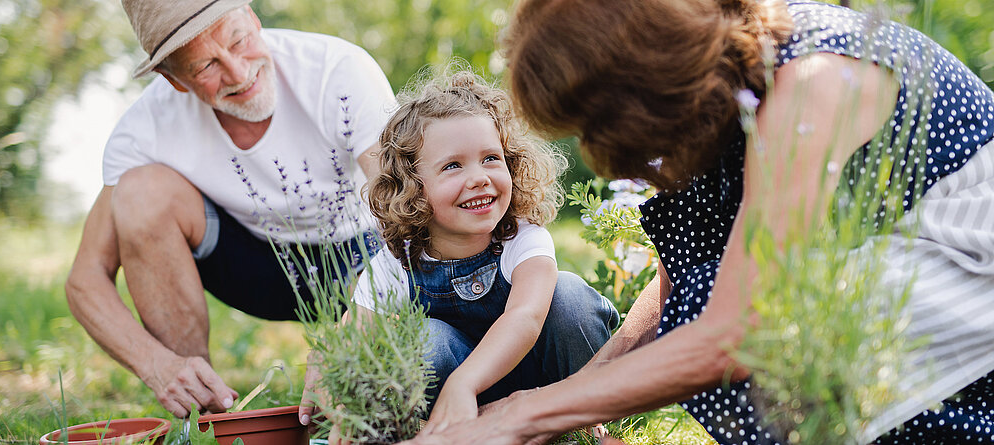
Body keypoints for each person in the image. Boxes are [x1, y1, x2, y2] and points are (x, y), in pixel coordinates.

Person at [402, 0, 994, 444]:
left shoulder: (810, 84)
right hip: (891, 271)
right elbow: (677, 289)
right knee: (700, 293)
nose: (593, 144)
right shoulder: (729, 91)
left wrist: (524, 416)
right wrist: (562, 405)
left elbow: (735, 331)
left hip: (966, 266)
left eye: (591, 121)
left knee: (745, 328)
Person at [64, 0, 395, 418]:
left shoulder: (339, 70)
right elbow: (85, 280)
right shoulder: (143, 130)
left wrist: (359, 324)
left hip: (362, 256)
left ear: (253, 19)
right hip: (253, 266)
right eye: (206, 66)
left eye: (239, 41)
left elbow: (409, 218)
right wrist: (157, 365)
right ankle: (201, 415)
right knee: (139, 193)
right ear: (173, 79)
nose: (239, 74)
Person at [298, 70, 620, 434]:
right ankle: (461, 432)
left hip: (548, 387)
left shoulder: (523, 238)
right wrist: (333, 376)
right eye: (453, 165)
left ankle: (592, 420)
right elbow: (354, 334)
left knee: (570, 296)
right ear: (413, 187)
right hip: (462, 408)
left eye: (491, 158)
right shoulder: (399, 261)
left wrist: (464, 382)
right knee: (423, 338)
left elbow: (525, 317)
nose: (479, 177)